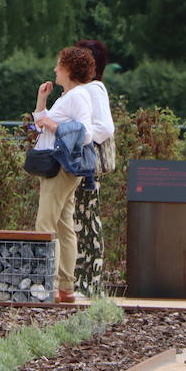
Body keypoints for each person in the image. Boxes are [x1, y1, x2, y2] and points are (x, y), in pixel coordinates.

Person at [32, 46, 98, 304]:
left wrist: (53, 124)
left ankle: (47, 285)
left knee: (45, 225)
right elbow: (41, 123)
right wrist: (42, 101)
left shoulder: (77, 96)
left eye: (58, 65)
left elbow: (86, 132)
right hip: (60, 166)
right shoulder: (67, 96)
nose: (55, 69)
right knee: (63, 225)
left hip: (60, 167)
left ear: (69, 69)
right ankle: (64, 288)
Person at [72, 39, 115, 297]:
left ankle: (90, 282)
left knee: (87, 220)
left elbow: (104, 127)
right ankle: (83, 281)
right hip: (81, 164)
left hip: (87, 166)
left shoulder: (94, 89)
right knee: (81, 220)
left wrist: (78, 138)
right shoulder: (85, 89)